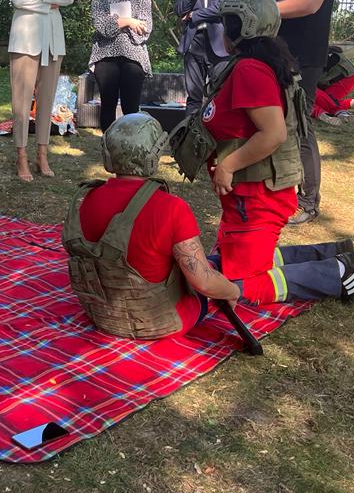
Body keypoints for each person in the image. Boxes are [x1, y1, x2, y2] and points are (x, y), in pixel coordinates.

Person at [199, 0, 354, 307]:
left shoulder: (250, 69)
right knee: (223, 264)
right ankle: (330, 253)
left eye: (227, 23)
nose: (223, 31)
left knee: (234, 286)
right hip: (248, 197)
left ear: (242, 27)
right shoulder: (257, 65)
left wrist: (228, 166)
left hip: (257, 197)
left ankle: (337, 272)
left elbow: (272, 133)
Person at [62, 113, 242, 340]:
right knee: (211, 266)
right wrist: (233, 291)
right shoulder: (172, 208)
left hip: (103, 316)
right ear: (154, 155)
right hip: (162, 322)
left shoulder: (87, 198)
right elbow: (203, 281)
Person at [266, 0, 339, 226]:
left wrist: (261, 9)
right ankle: (281, 191)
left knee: (301, 126)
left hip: (302, 58)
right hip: (281, 55)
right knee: (280, 124)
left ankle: (308, 201)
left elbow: (310, 2)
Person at [7, 0, 75, 182]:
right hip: (25, 37)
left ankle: (42, 154)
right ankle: (21, 155)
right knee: (22, 101)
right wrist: (50, 2)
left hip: (53, 39)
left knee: (47, 98)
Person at [175, 0, 242, 114]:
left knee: (219, 94)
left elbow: (223, 7)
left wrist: (193, 15)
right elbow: (180, 9)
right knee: (193, 97)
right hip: (194, 42)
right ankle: (188, 138)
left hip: (220, 43)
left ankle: (216, 138)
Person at [88, 0, 153, 132]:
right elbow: (102, 27)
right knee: (107, 105)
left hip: (133, 55)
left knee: (131, 107)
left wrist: (115, 20)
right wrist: (128, 21)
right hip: (105, 54)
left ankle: (130, 146)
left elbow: (145, 30)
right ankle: (109, 145)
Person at [312, 47, 354, 125]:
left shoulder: (313, 54)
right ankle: (352, 103)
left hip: (342, 82)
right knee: (318, 98)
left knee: (311, 96)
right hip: (343, 80)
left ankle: (332, 113)